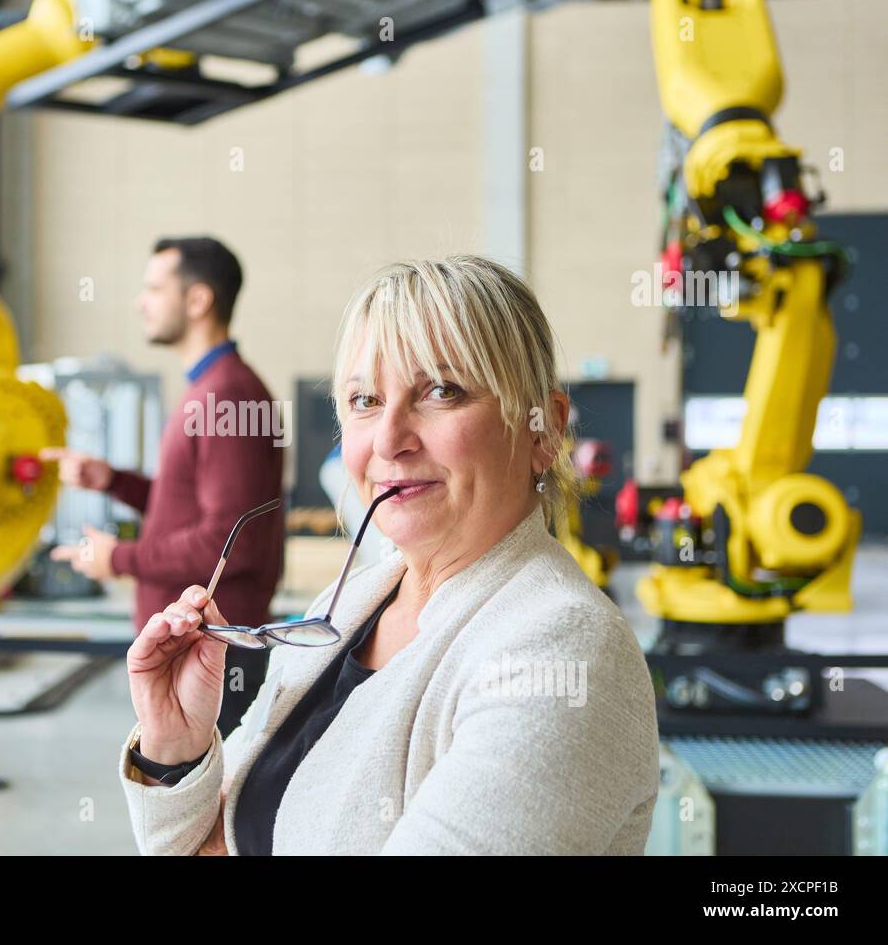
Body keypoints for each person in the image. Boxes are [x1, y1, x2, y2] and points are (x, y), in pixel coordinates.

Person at [117, 255, 660, 854]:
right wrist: (177, 751)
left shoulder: (559, 652)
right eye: (365, 401)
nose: (389, 440)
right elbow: (216, 841)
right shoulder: (349, 603)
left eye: (442, 391)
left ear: (543, 430)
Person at [43, 237, 284, 738]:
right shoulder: (212, 387)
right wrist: (113, 481)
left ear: (198, 301)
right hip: (192, 651)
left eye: (154, 288)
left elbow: (225, 541)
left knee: (202, 811)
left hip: (212, 659)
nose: (141, 301)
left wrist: (119, 559)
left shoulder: (227, 394)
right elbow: (191, 508)